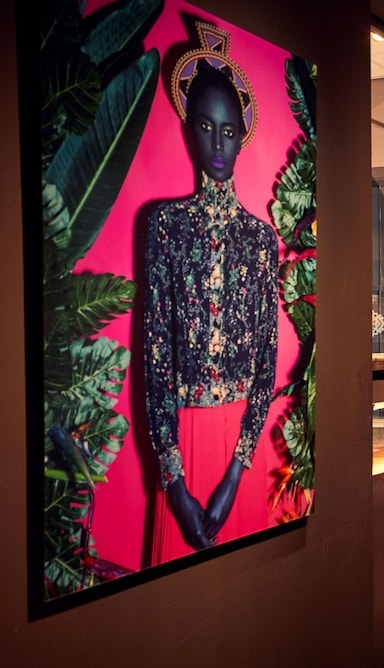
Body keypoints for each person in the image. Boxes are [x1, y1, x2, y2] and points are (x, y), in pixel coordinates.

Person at [144, 24, 277, 563]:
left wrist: (236, 473)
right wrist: (174, 484)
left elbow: (266, 361)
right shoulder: (165, 226)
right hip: (184, 446)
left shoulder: (261, 239)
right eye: (205, 126)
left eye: (227, 130)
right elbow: (155, 358)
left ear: (242, 134)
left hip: (241, 454)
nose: (218, 144)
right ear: (189, 129)